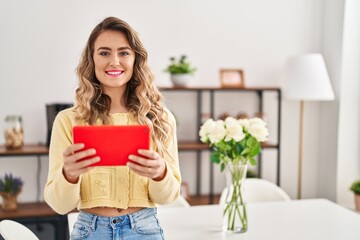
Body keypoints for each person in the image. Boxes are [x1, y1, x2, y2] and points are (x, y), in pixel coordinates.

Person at [44, 16, 181, 240]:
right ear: (92, 58)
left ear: (136, 59)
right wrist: (69, 175)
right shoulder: (68, 121)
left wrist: (160, 173)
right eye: (104, 52)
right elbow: (59, 205)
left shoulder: (159, 118)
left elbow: (169, 196)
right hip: (90, 230)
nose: (114, 62)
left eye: (124, 52)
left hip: (145, 229)